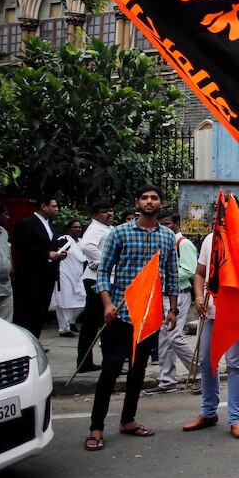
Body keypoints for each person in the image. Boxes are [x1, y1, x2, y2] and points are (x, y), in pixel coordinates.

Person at [85, 185, 179, 451]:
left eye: (154, 197)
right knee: (111, 370)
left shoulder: (167, 237)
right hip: (121, 315)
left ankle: (128, 420)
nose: (150, 201)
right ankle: (96, 426)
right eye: (145, 197)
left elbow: (171, 275)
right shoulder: (120, 233)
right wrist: (107, 304)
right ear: (137, 202)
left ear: (160, 203)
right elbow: (103, 272)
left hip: (149, 317)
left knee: (138, 372)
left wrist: (172, 309)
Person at [182, 198, 239, 439]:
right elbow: (199, 274)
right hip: (210, 312)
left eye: (229, 211)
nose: (224, 215)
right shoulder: (210, 239)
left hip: (238, 310)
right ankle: (208, 412)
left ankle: (236, 418)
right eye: (220, 211)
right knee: (207, 360)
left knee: (235, 363)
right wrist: (198, 298)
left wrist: (235, 282)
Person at [151, 211, 198, 393]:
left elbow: (190, 270)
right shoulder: (164, 242)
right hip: (163, 294)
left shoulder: (182, 243)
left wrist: (166, 277)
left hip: (178, 293)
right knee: (163, 339)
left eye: (167, 224)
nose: (164, 228)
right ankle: (167, 380)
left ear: (177, 224)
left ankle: (201, 372)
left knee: (174, 336)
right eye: (161, 224)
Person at [12, 195, 67, 339]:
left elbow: (51, 246)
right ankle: (24, 341)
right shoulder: (26, 224)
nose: (56, 209)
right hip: (30, 277)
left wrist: (59, 253)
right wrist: (46, 254)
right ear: (44, 206)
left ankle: (35, 339)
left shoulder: (50, 226)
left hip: (47, 277)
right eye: (53, 206)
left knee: (40, 313)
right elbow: (24, 247)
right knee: (27, 313)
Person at [76, 201, 114, 372]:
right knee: (103, 322)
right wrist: (104, 261)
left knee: (93, 323)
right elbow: (86, 246)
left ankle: (86, 362)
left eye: (111, 211)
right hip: (96, 280)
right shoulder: (95, 229)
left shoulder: (107, 228)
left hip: (102, 278)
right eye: (104, 211)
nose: (109, 214)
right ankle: (108, 363)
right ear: (95, 214)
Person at [51, 219, 87, 336]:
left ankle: (71, 321)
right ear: (69, 229)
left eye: (79, 227)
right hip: (64, 275)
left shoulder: (82, 242)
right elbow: (55, 253)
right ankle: (64, 328)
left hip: (78, 276)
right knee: (64, 301)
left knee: (82, 299)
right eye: (74, 227)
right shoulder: (64, 240)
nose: (77, 229)